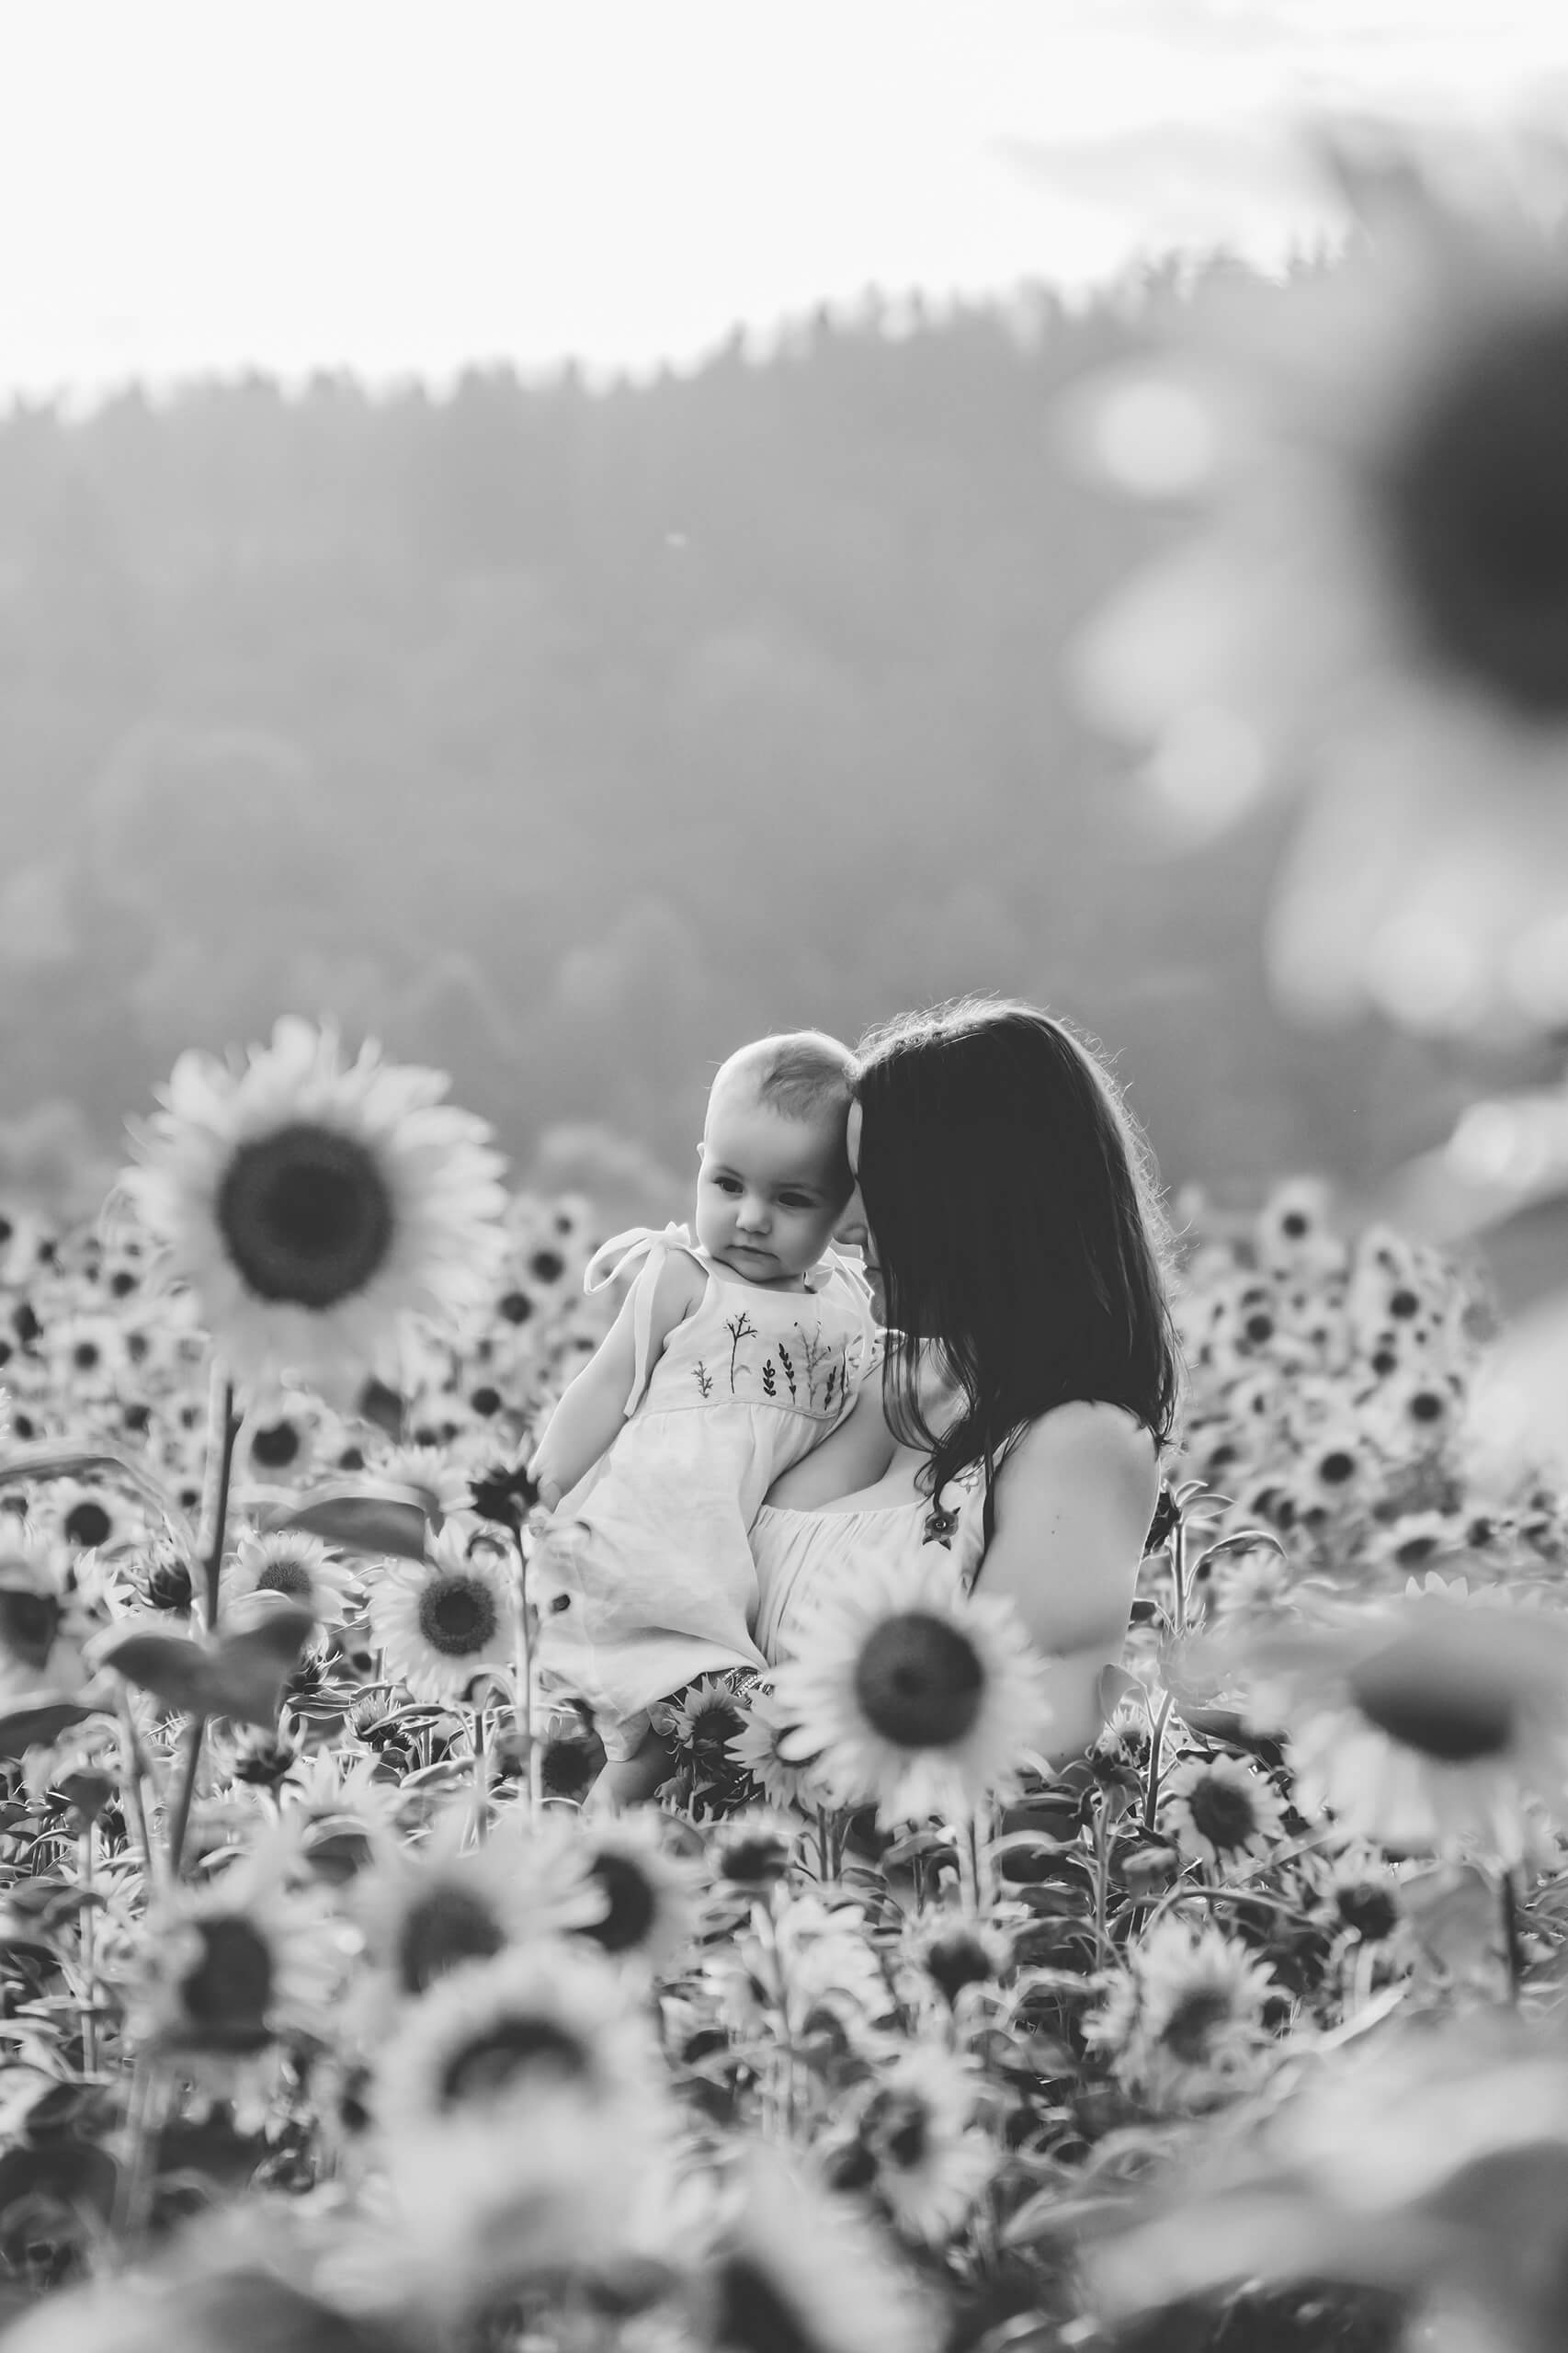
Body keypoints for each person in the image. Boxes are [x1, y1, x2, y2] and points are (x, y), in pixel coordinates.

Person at [753, 998, 1180, 1765]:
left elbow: (1017, 1762)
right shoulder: (879, 1374)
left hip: (871, 1874)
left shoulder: (1080, 1443)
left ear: (976, 1195)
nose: (845, 1225)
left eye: (871, 1181)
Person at [528, 1031, 881, 1806]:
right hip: (657, 1544)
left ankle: (599, 1837)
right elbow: (604, 1384)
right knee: (659, 1729)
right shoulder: (685, 1279)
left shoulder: (850, 1303)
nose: (751, 1218)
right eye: (728, 1184)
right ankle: (592, 1839)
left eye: (791, 1199)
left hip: (739, 1564)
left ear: (844, 1208)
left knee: (685, 1732)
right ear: (700, 1163)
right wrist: (541, 1486)